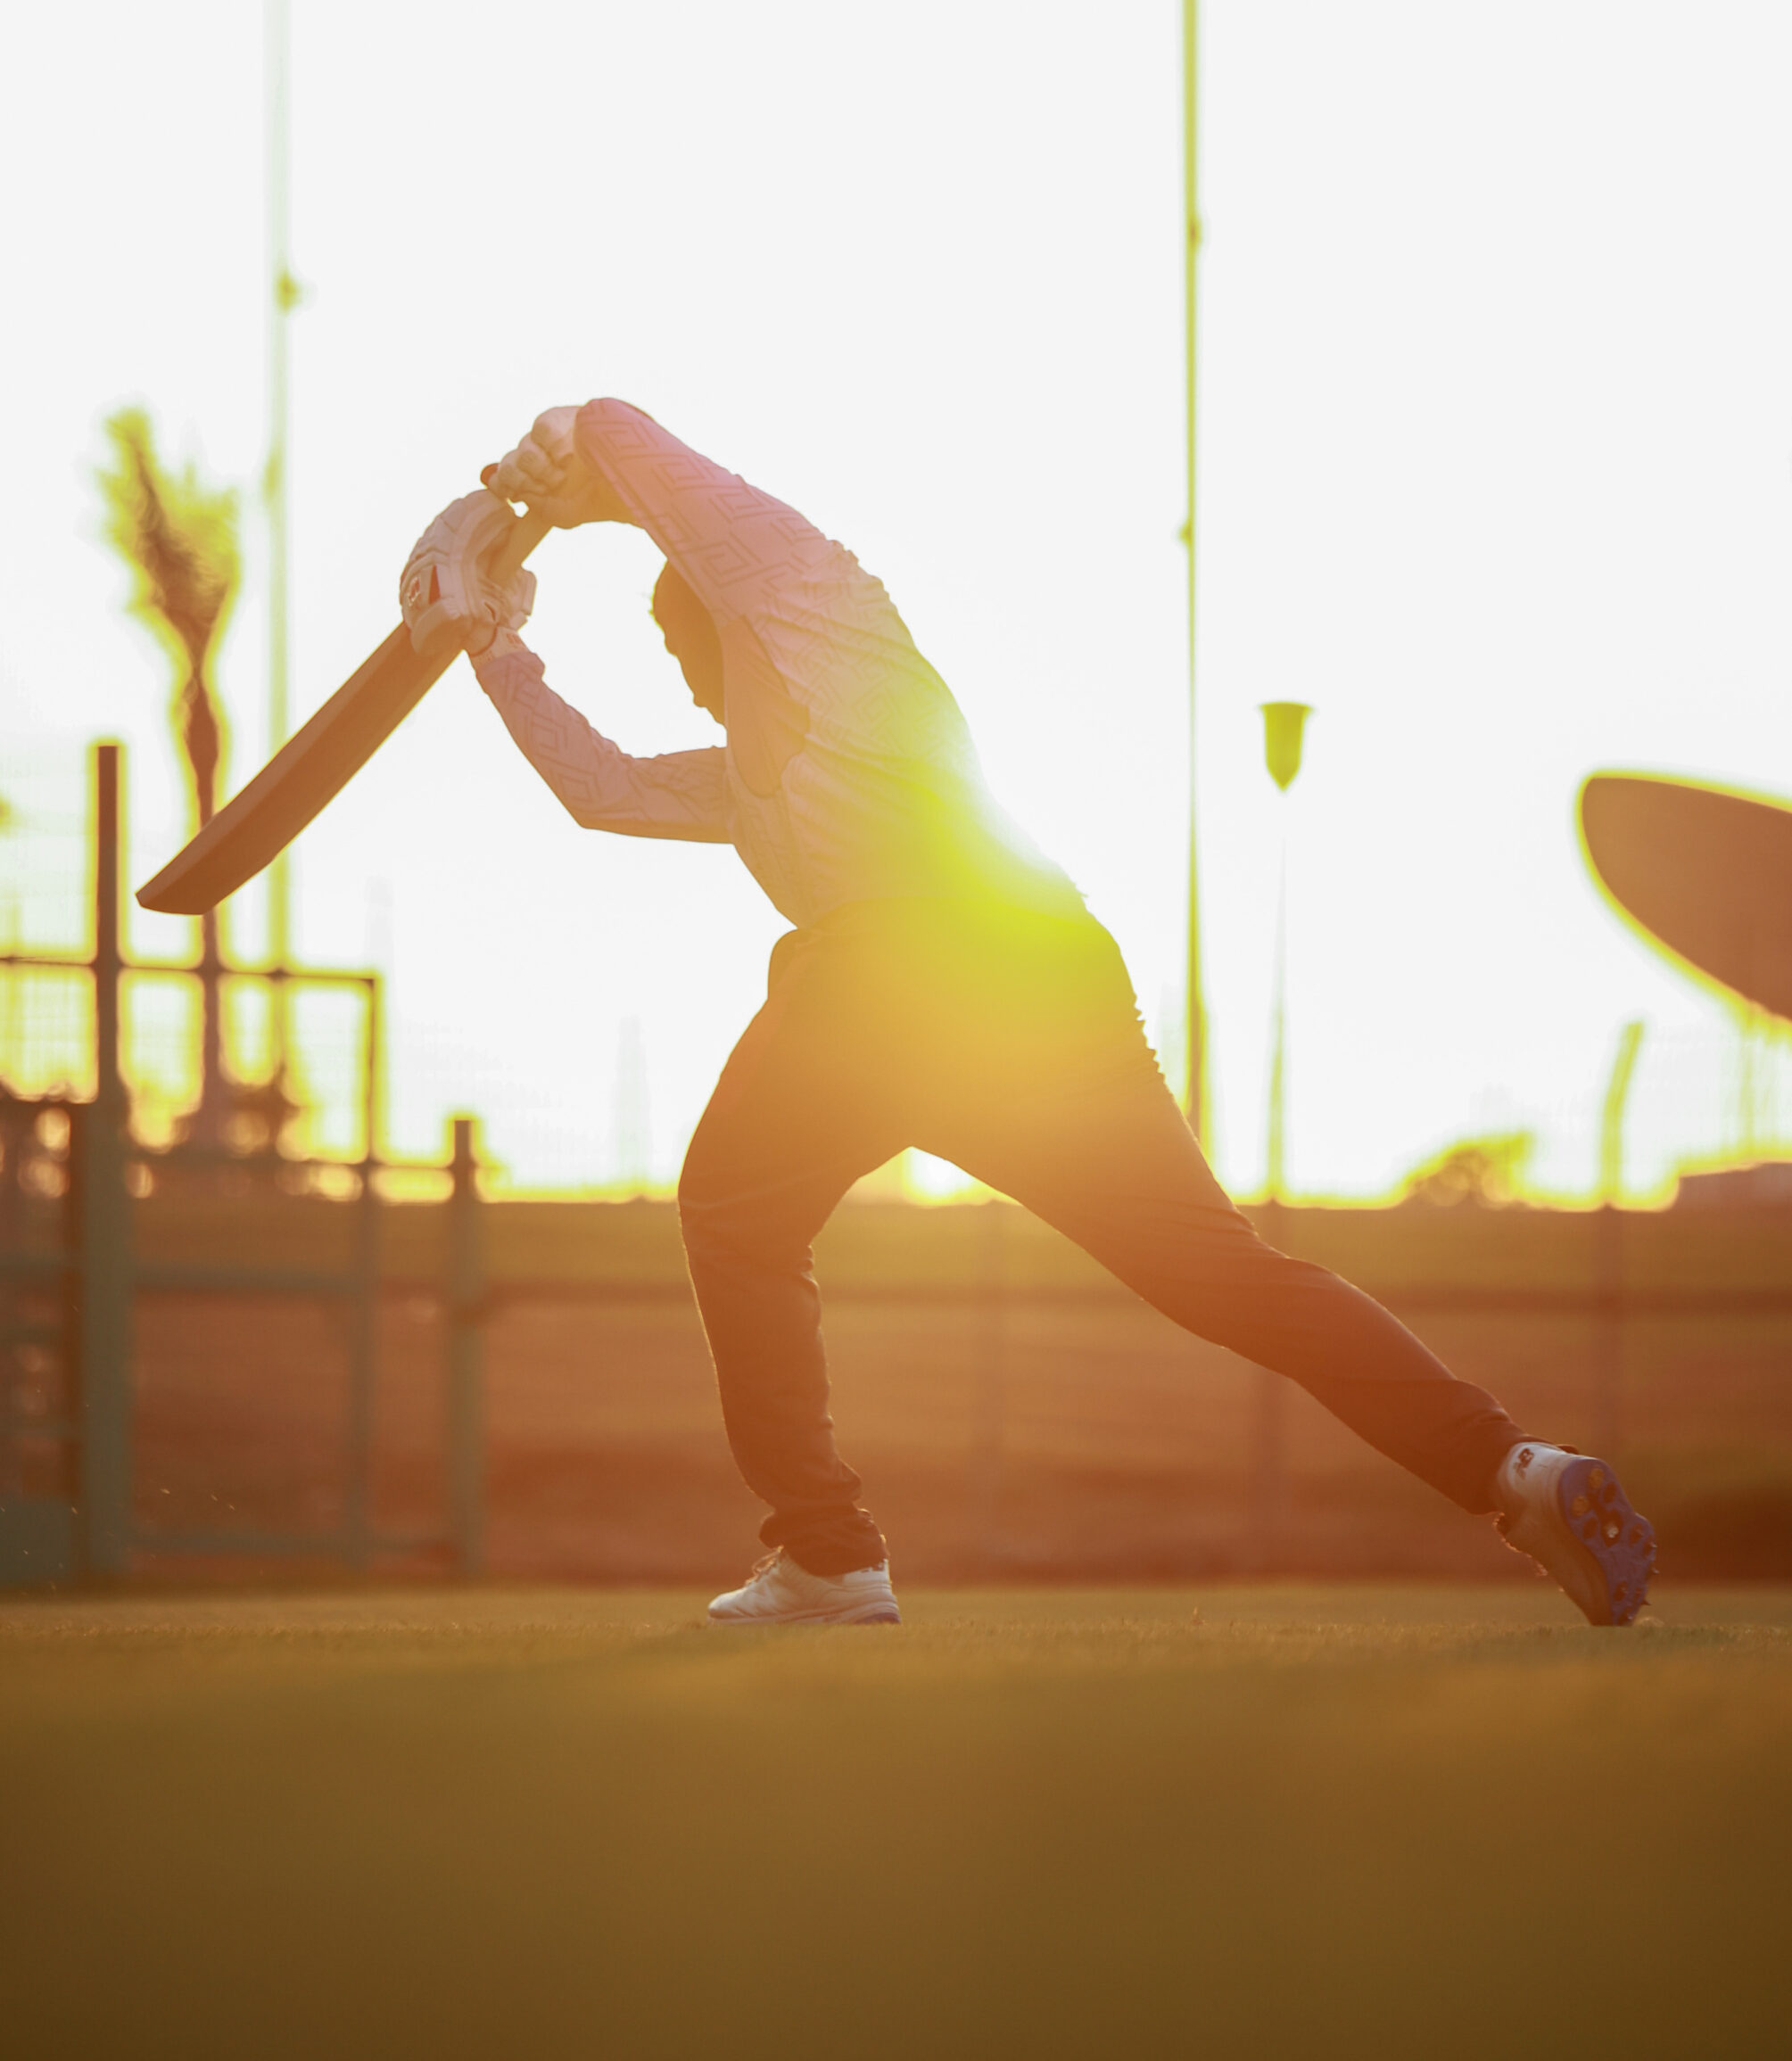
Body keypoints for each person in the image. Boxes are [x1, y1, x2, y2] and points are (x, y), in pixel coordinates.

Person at [399, 399, 1658, 1628]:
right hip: (1042, 991)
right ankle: (1516, 1476)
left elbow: (635, 446)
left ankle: (827, 1555)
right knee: (1226, 1278)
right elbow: (606, 790)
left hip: (906, 972)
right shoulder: (759, 779)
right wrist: (494, 647)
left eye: (681, 658)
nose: (684, 692)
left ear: (718, 616)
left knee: (733, 1218)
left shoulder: (815, 608)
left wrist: (549, 476)